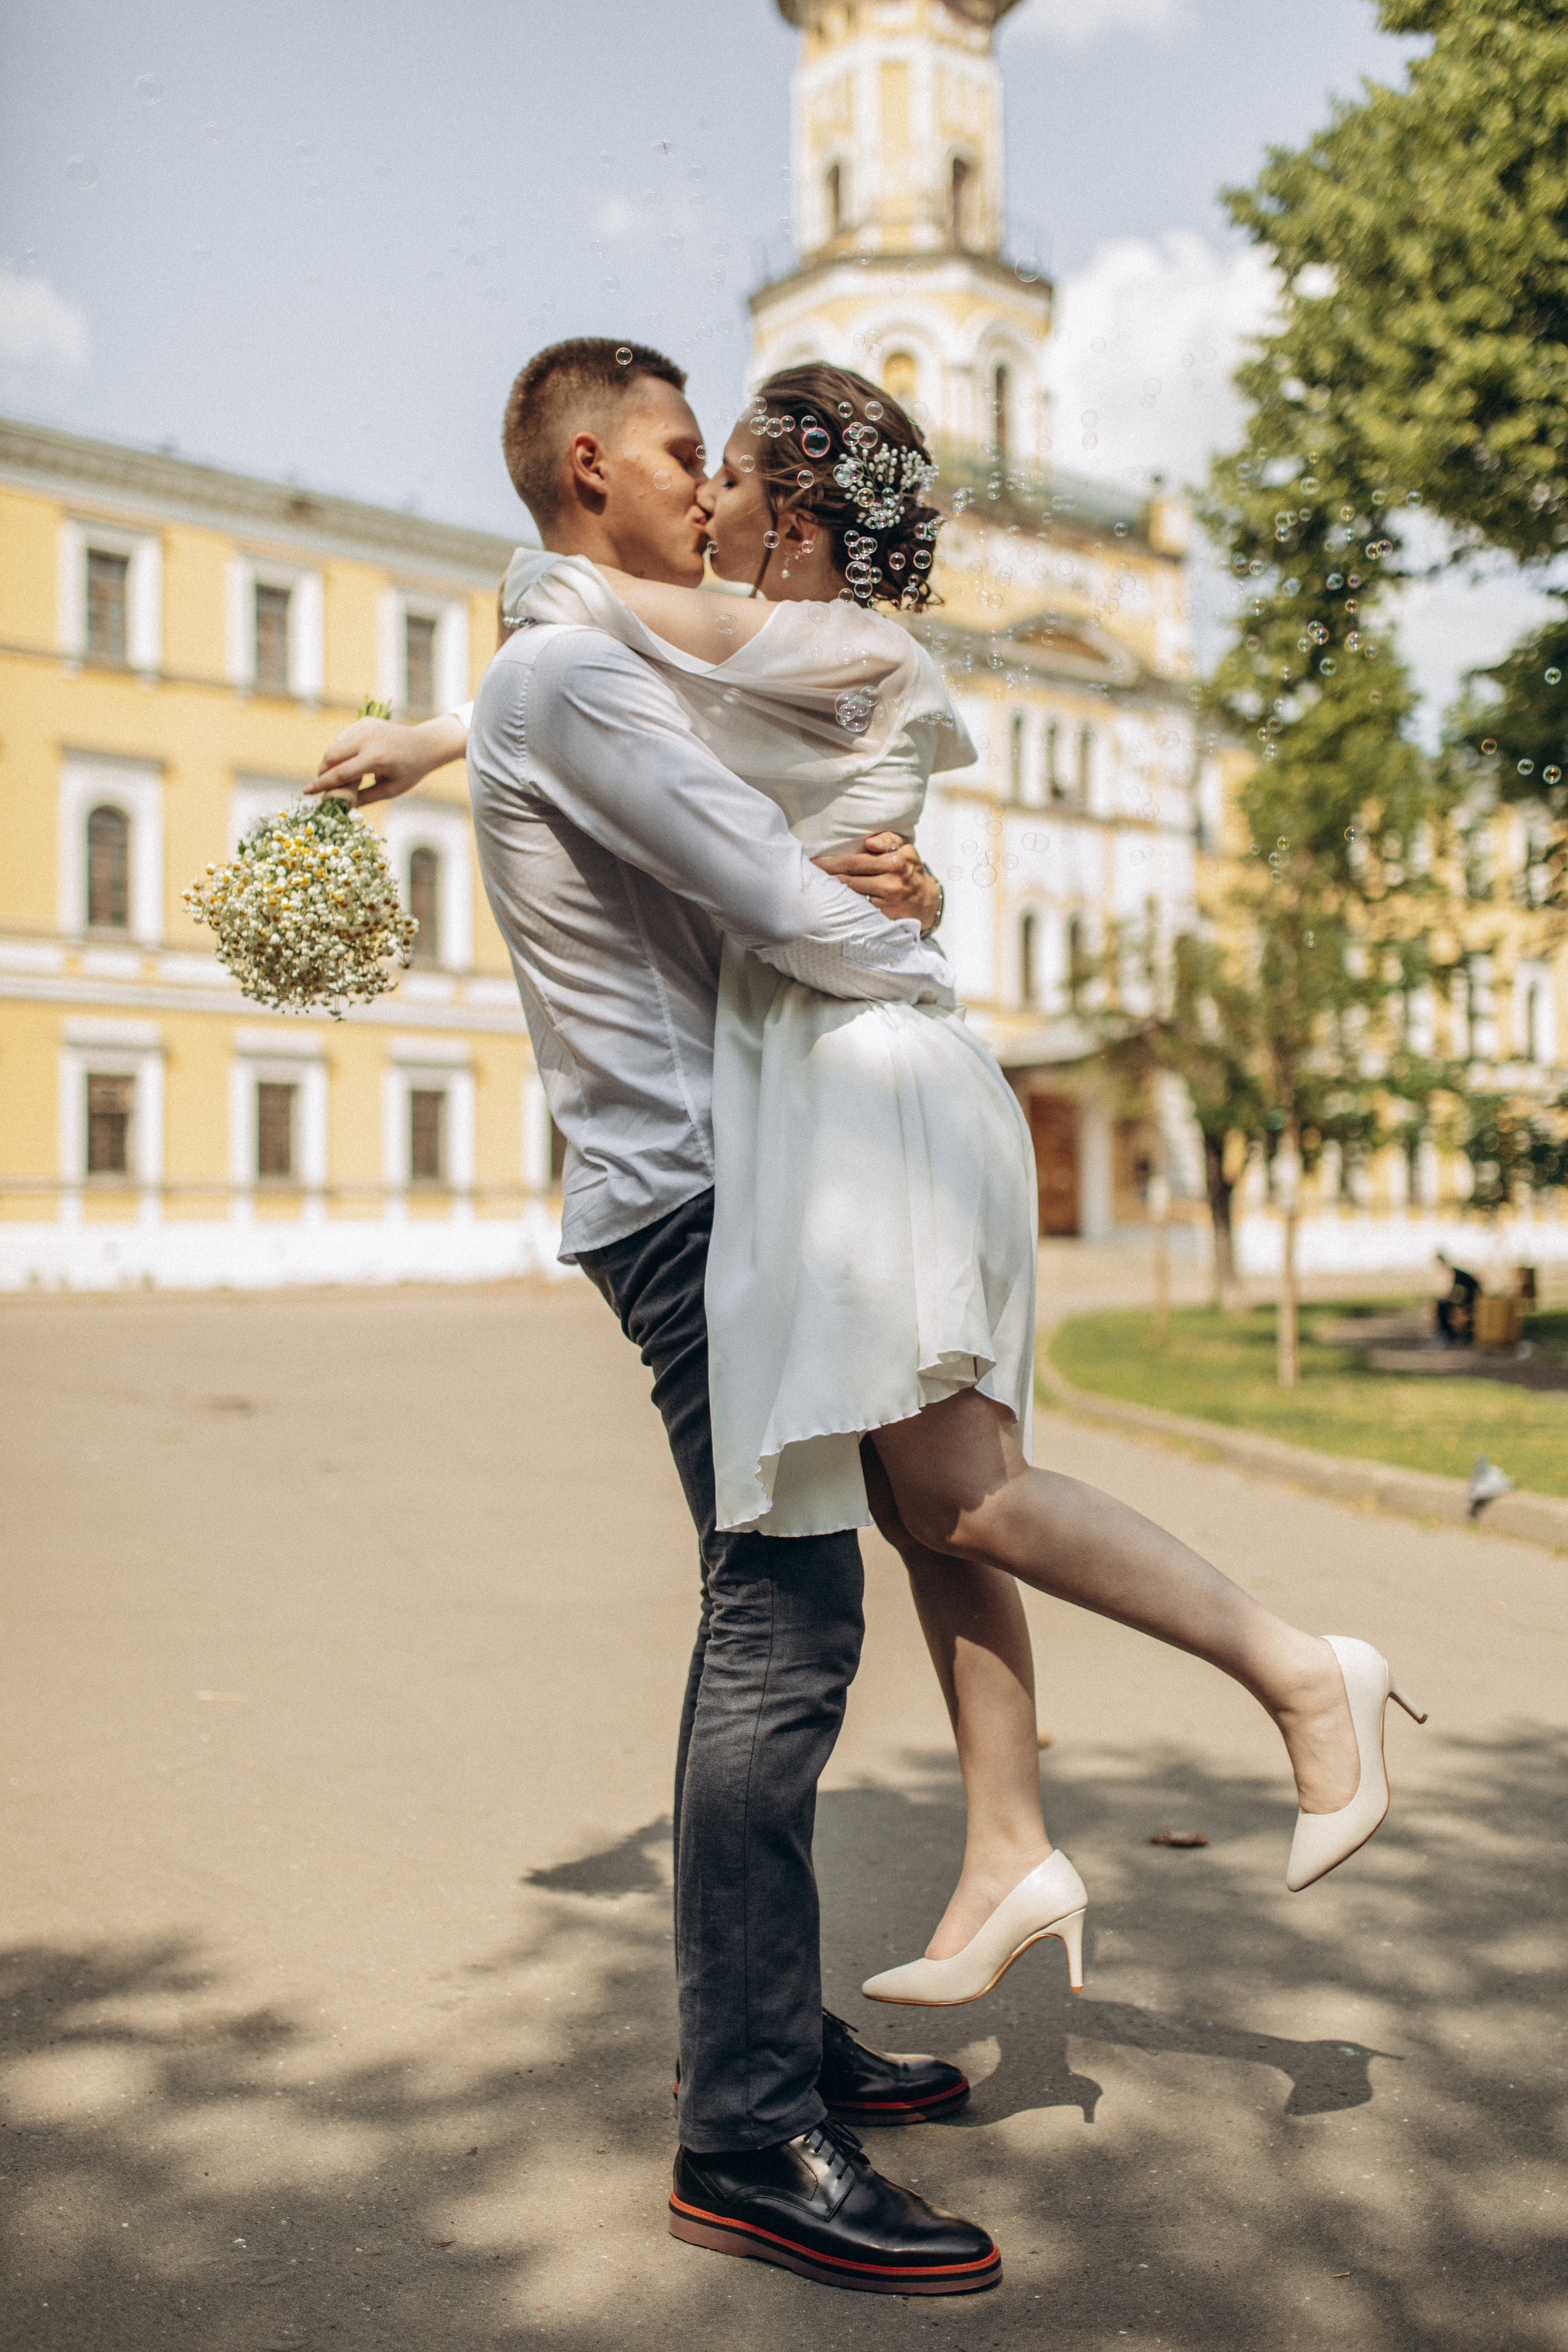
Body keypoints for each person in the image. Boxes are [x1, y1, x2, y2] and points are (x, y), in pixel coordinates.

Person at [1434, 1251, 1480, 1345]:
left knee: (1442, 1306)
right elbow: (1457, 1292)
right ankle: (1448, 1333)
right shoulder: (1458, 1273)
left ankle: (1447, 1333)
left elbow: (1459, 1292)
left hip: (1470, 1301)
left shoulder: (1457, 1274)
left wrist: (1452, 1301)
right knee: (1443, 1304)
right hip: (1469, 1300)